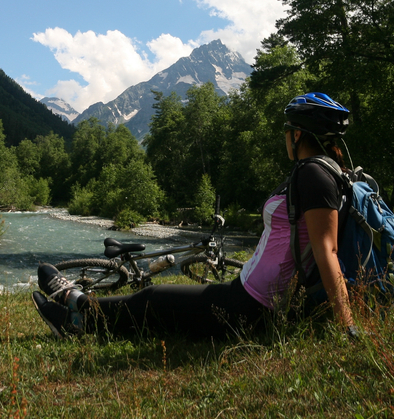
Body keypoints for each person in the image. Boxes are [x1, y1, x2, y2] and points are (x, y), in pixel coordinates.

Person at [31, 92, 356, 340]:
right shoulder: (317, 172)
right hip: (247, 297)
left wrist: (347, 326)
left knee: (154, 299)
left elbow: (327, 250)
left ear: (297, 134)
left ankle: (77, 313)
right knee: (159, 305)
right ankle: (76, 304)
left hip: (252, 308)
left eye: (287, 130)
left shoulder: (315, 175)